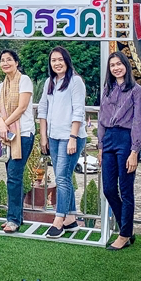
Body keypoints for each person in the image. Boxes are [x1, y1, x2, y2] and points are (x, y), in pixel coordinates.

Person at [37, 46, 87, 238]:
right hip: (54, 136)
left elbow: (78, 111)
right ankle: (71, 220)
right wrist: (43, 136)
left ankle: (58, 219)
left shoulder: (75, 81)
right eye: (53, 60)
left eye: (60, 59)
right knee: (62, 177)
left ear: (67, 60)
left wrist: (73, 137)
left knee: (62, 178)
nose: (57, 63)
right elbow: (42, 108)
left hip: (71, 137)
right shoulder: (50, 82)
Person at [98, 50, 141, 250]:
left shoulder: (137, 91)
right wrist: (100, 146)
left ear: (126, 65)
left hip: (126, 140)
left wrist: (135, 151)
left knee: (126, 190)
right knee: (109, 189)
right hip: (108, 139)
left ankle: (124, 234)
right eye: (112, 65)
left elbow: (138, 122)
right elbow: (101, 117)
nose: (116, 67)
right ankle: (127, 227)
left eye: (119, 64)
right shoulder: (107, 89)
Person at [0, 49, 34, 233]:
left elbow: (22, 107)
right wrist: (1, 124)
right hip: (6, 135)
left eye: (9, 59)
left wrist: (5, 124)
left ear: (16, 62)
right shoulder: (1, 86)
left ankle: (13, 219)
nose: (5, 63)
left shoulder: (24, 80)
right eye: (2, 60)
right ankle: (16, 216)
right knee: (12, 176)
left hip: (22, 134)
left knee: (14, 175)